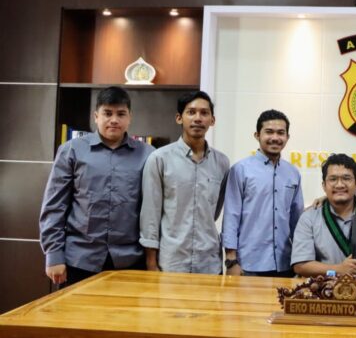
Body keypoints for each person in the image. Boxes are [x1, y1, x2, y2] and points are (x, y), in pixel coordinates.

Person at [39, 87, 154, 286]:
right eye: (107, 113)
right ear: (96, 116)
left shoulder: (148, 154)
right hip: (79, 260)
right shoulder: (71, 150)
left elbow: (153, 210)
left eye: (121, 114)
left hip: (130, 261)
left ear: (130, 117)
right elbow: (54, 206)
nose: (114, 120)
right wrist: (54, 254)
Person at [139, 91, 230, 274]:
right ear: (179, 118)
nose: (198, 118)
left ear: (212, 120)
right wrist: (151, 263)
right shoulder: (159, 159)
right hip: (171, 263)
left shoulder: (222, 162)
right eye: (191, 112)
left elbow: (214, 211)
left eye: (204, 113)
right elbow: (150, 215)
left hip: (209, 263)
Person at [221, 109, 303, 277]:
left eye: (280, 133)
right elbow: (231, 216)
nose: (275, 137)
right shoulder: (241, 170)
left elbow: (297, 219)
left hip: (285, 264)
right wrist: (231, 261)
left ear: (287, 137)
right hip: (248, 265)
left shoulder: (293, 173)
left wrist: (302, 260)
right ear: (257, 135)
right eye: (269, 132)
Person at [291, 154, 356, 278]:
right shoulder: (309, 218)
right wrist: (337, 270)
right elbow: (300, 266)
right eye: (333, 179)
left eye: (346, 178)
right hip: (327, 287)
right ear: (324, 185)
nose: (340, 185)